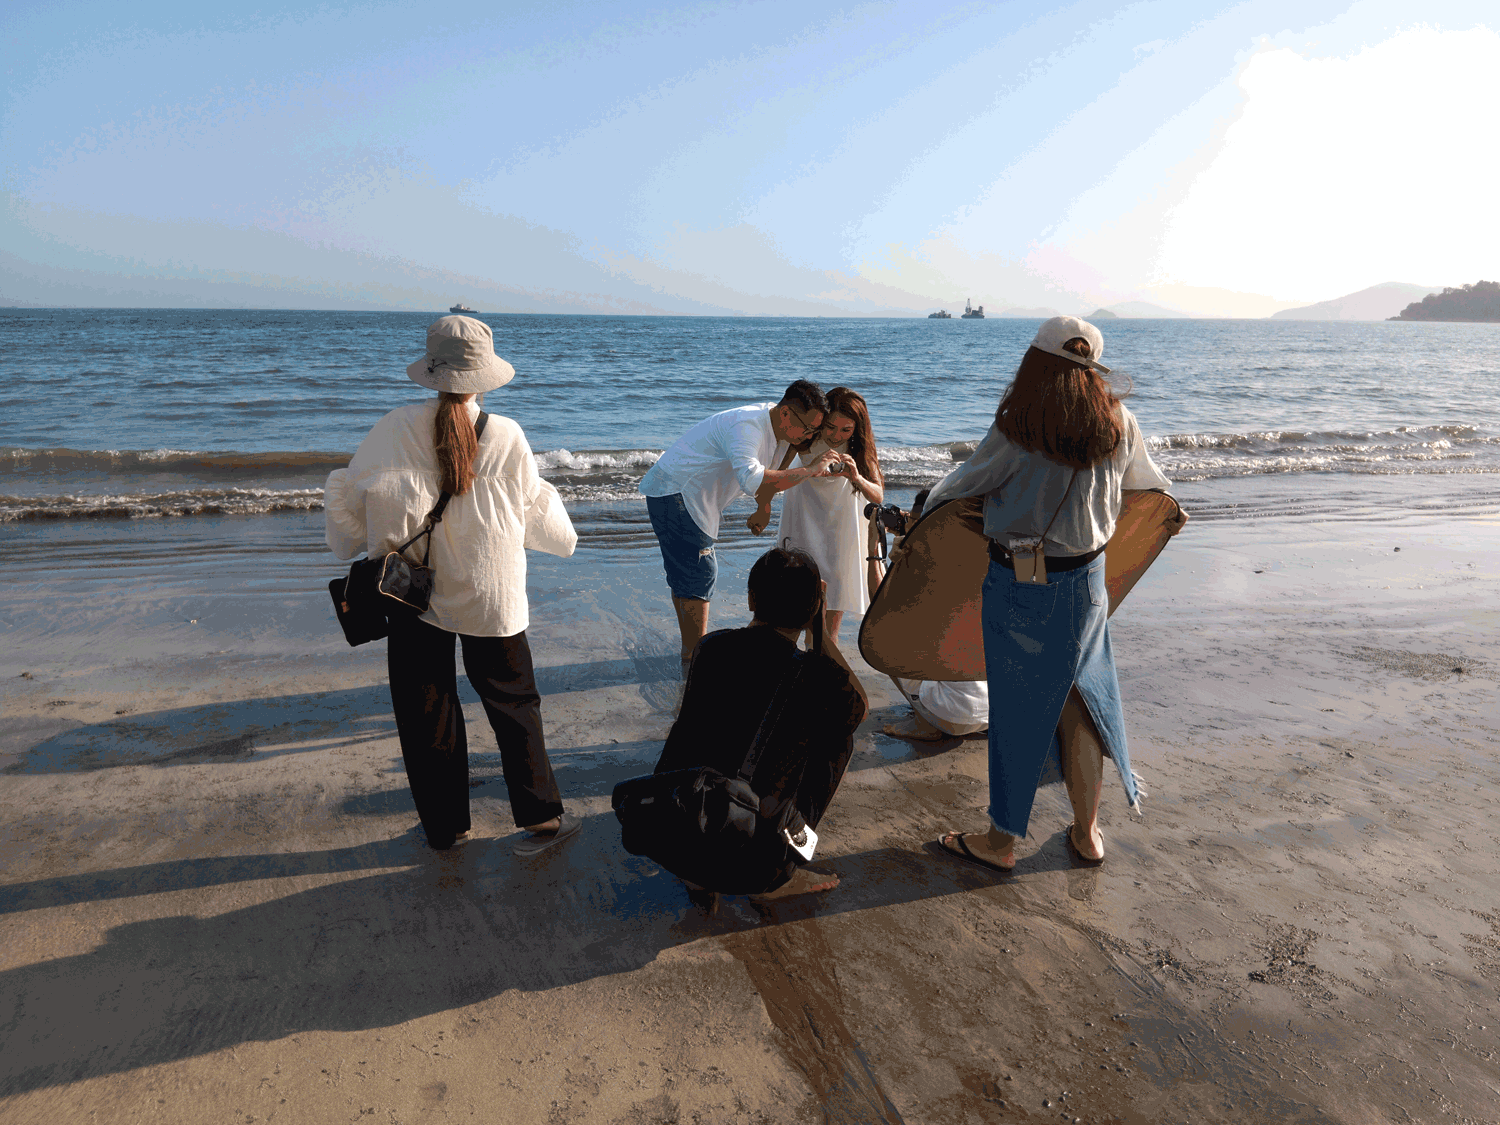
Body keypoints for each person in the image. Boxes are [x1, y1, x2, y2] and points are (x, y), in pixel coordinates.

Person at [922, 316, 1173, 872]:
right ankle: (1087, 833)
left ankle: (1001, 840)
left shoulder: (1020, 427)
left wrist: (924, 506)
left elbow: (961, 486)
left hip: (1023, 584)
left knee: (1017, 711)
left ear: (1035, 362)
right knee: (1080, 703)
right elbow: (1150, 491)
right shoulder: (1120, 422)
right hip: (1088, 583)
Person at [325, 316, 581, 855]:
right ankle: (539, 820)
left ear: (430, 372)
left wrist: (371, 532)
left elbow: (345, 514)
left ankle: (446, 828)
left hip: (411, 595)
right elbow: (550, 529)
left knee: (427, 711)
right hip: (493, 594)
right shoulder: (507, 435)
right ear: (484, 379)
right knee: (515, 704)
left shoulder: (392, 428)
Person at [653, 547, 869, 900]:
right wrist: (822, 636)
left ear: (751, 599)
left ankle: (702, 870)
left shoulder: (710, 647)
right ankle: (777, 873)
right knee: (840, 739)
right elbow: (860, 709)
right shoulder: (819, 675)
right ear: (815, 607)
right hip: (753, 860)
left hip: (680, 833)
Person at [639, 381, 840, 674]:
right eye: (807, 429)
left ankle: (690, 651)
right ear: (786, 413)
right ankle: (696, 659)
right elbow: (753, 480)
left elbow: (776, 469)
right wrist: (810, 470)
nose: (808, 437)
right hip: (678, 493)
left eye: (814, 431)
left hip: (676, 492)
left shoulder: (782, 429)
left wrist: (764, 507)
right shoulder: (748, 427)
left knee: (687, 574)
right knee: (700, 572)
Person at [758, 386, 884, 645]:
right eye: (830, 427)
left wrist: (856, 477)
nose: (836, 435)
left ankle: (819, 672)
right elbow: (775, 475)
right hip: (802, 519)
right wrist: (764, 507)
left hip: (841, 527)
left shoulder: (859, 446)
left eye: (845, 430)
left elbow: (878, 495)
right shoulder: (805, 438)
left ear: (855, 428)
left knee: (829, 616)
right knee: (792, 598)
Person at [880, 488, 991, 743]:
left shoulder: (924, 571)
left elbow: (879, 616)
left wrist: (878, 549)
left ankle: (924, 721)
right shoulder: (983, 558)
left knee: (888, 643)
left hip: (953, 716)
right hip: (994, 712)